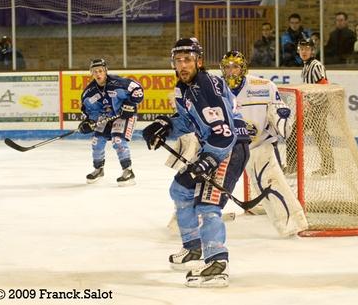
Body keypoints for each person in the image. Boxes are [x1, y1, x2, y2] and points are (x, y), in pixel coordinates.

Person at [142, 37, 250, 288]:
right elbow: (188, 122)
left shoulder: (206, 87)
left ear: (199, 62)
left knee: (207, 204)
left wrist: (209, 160)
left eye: (188, 60)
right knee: (179, 189)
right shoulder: (183, 88)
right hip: (215, 146)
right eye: (178, 60)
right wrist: (165, 126)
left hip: (229, 149)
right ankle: (193, 247)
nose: (183, 65)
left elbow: (225, 133)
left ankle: (217, 263)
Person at [219, 50, 308, 237]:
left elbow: (279, 110)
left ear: (243, 68)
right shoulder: (215, 88)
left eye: (235, 66)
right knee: (212, 182)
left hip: (259, 144)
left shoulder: (263, 86)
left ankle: (292, 223)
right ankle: (191, 219)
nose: (231, 71)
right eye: (227, 67)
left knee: (269, 180)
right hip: (227, 146)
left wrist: (282, 118)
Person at [78, 58, 143, 186]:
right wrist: (89, 122)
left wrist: (129, 104)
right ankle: (98, 169)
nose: (98, 74)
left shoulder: (118, 83)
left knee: (117, 140)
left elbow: (137, 89)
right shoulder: (89, 92)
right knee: (96, 141)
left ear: (106, 71)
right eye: (95, 71)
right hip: (106, 117)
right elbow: (90, 111)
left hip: (123, 115)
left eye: (100, 71)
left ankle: (128, 171)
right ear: (91, 73)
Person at [286, 39, 335, 175]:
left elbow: (323, 85)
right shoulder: (306, 66)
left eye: (307, 49)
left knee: (320, 136)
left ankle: (328, 166)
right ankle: (293, 165)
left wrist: (310, 103)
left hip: (318, 107)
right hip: (311, 107)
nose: (304, 51)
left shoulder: (315, 65)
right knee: (294, 132)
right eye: (302, 49)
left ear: (313, 51)